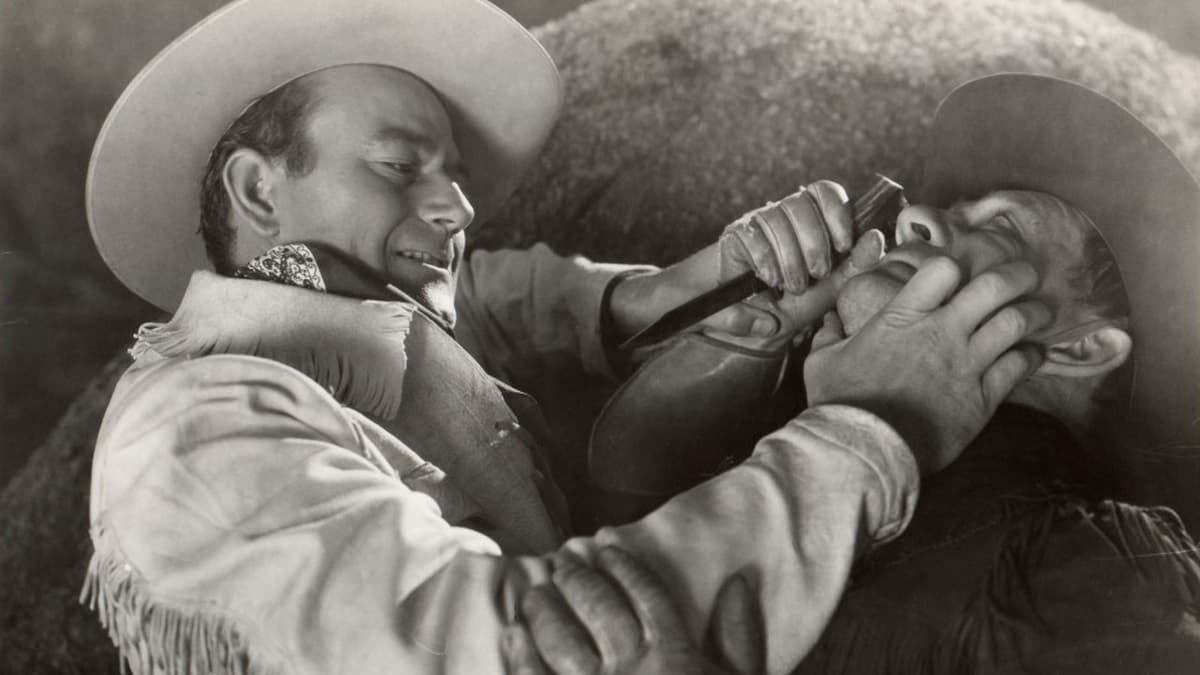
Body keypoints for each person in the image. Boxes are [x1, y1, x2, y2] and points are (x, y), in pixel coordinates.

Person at [79, 1, 1052, 673]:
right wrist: (872, 428)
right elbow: (515, 651)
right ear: (259, 190)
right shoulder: (194, 434)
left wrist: (699, 287)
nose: (457, 206)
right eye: (400, 166)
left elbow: (511, 301)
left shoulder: (374, 324)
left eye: (453, 175)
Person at [505, 74, 1200, 674]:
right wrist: (747, 340)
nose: (915, 216)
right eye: (950, 210)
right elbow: (610, 515)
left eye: (1004, 229)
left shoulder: (1100, 570)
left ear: (1084, 347)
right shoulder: (795, 457)